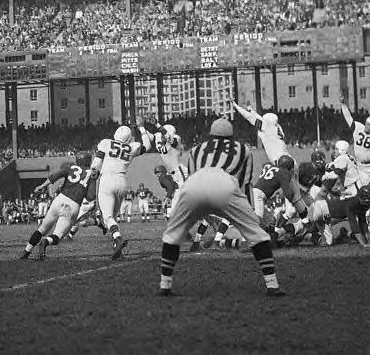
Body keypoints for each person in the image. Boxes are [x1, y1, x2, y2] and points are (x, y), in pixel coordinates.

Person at [159, 118, 285, 297]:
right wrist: (250, 214)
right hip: (225, 184)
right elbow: (245, 184)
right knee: (258, 235)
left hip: (195, 184)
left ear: (211, 134)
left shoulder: (196, 150)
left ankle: (165, 284)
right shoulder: (243, 150)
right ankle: (272, 284)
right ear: (232, 135)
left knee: (172, 235)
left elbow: (194, 177)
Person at [232, 102, 308, 218]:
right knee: (296, 199)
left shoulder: (268, 127)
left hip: (283, 165)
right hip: (290, 162)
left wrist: (237, 107)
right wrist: (251, 109)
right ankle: (306, 222)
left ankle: (285, 227)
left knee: (291, 205)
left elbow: (250, 118)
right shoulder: (277, 128)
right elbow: (256, 118)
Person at [91, 119, 152, 259]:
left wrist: (94, 170)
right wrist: (142, 128)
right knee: (113, 219)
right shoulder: (132, 147)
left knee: (107, 217)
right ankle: (117, 249)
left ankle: (118, 239)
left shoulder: (106, 143)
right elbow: (147, 146)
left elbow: (98, 160)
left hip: (107, 180)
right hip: (122, 182)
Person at [19, 152, 96, 260]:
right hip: (72, 205)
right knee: (57, 236)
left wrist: (42, 186)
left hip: (59, 200)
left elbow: (54, 176)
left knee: (42, 229)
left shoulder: (70, 167)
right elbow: (90, 197)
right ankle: (45, 242)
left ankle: (26, 253)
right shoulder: (91, 174)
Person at [340, 96, 370, 185]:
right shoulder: (358, 127)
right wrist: (343, 104)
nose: (367, 126)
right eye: (367, 124)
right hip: (357, 165)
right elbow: (348, 118)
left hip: (368, 167)